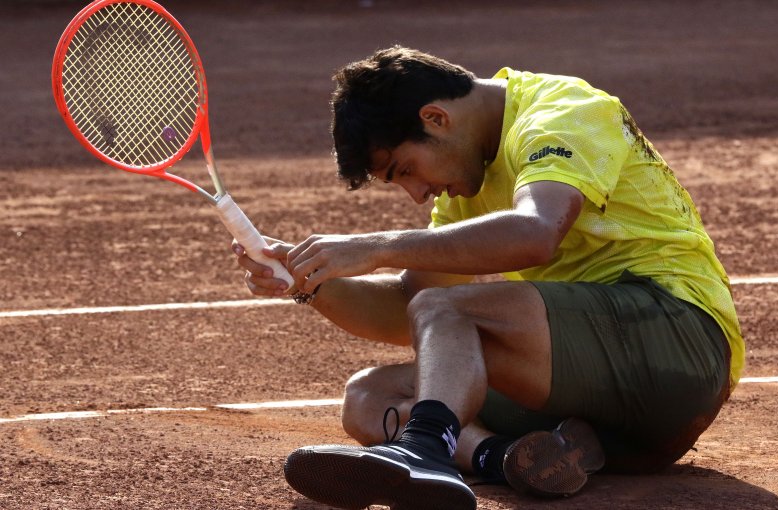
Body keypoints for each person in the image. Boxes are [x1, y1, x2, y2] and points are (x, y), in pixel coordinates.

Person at [232, 46, 744, 509]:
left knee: (447, 310)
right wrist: (312, 284)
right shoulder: (464, 185)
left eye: (405, 169)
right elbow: (409, 304)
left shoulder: (561, 113)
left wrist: (375, 247)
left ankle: (425, 452)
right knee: (369, 396)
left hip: (677, 348)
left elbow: (536, 231)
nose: (418, 194)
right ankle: (512, 459)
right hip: (612, 426)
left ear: (436, 118)